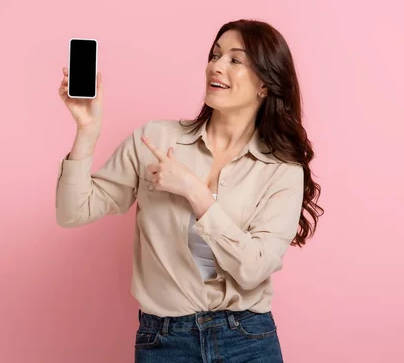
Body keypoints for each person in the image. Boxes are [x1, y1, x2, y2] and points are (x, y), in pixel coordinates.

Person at [55, 19, 323, 363]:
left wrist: (194, 192)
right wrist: (87, 131)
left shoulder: (282, 170)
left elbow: (254, 269)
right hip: (164, 343)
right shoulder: (155, 139)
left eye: (235, 60)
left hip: (247, 340)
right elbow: (72, 212)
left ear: (265, 86)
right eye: (215, 55)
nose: (216, 65)